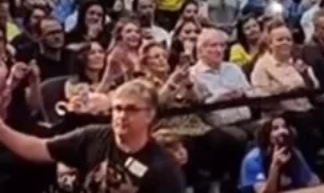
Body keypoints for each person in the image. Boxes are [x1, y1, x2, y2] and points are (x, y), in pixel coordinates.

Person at [0, 78, 185, 192]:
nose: (122, 116)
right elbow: (37, 149)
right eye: (118, 108)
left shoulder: (163, 168)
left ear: (150, 115)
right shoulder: (93, 137)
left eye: (131, 109)